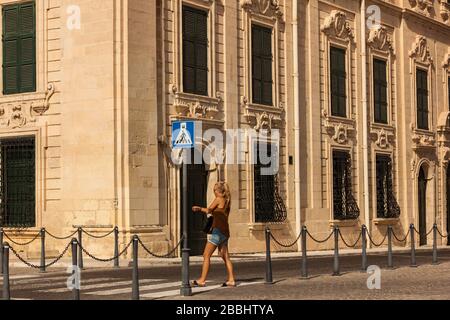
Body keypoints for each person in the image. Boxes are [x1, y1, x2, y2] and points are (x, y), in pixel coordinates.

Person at [191, 181, 236, 287]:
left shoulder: (218, 199)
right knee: (225, 256)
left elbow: (209, 210)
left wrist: (199, 208)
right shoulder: (227, 201)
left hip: (217, 232)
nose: (214, 192)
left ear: (218, 191)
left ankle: (202, 280)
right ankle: (231, 279)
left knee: (206, 255)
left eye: (214, 190)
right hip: (225, 232)